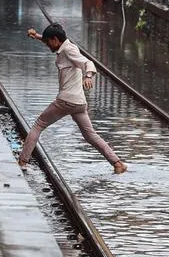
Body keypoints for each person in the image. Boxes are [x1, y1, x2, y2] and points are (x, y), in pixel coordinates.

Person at [17, 24, 128, 173]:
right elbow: (51, 42)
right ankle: (117, 163)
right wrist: (37, 36)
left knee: (38, 125)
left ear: (55, 39)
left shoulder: (69, 50)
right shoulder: (64, 47)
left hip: (66, 100)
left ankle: (22, 162)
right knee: (90, 135)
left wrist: (88, 76)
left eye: (49, 41)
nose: (48, 45)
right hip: (79, 103)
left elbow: (88, 63)